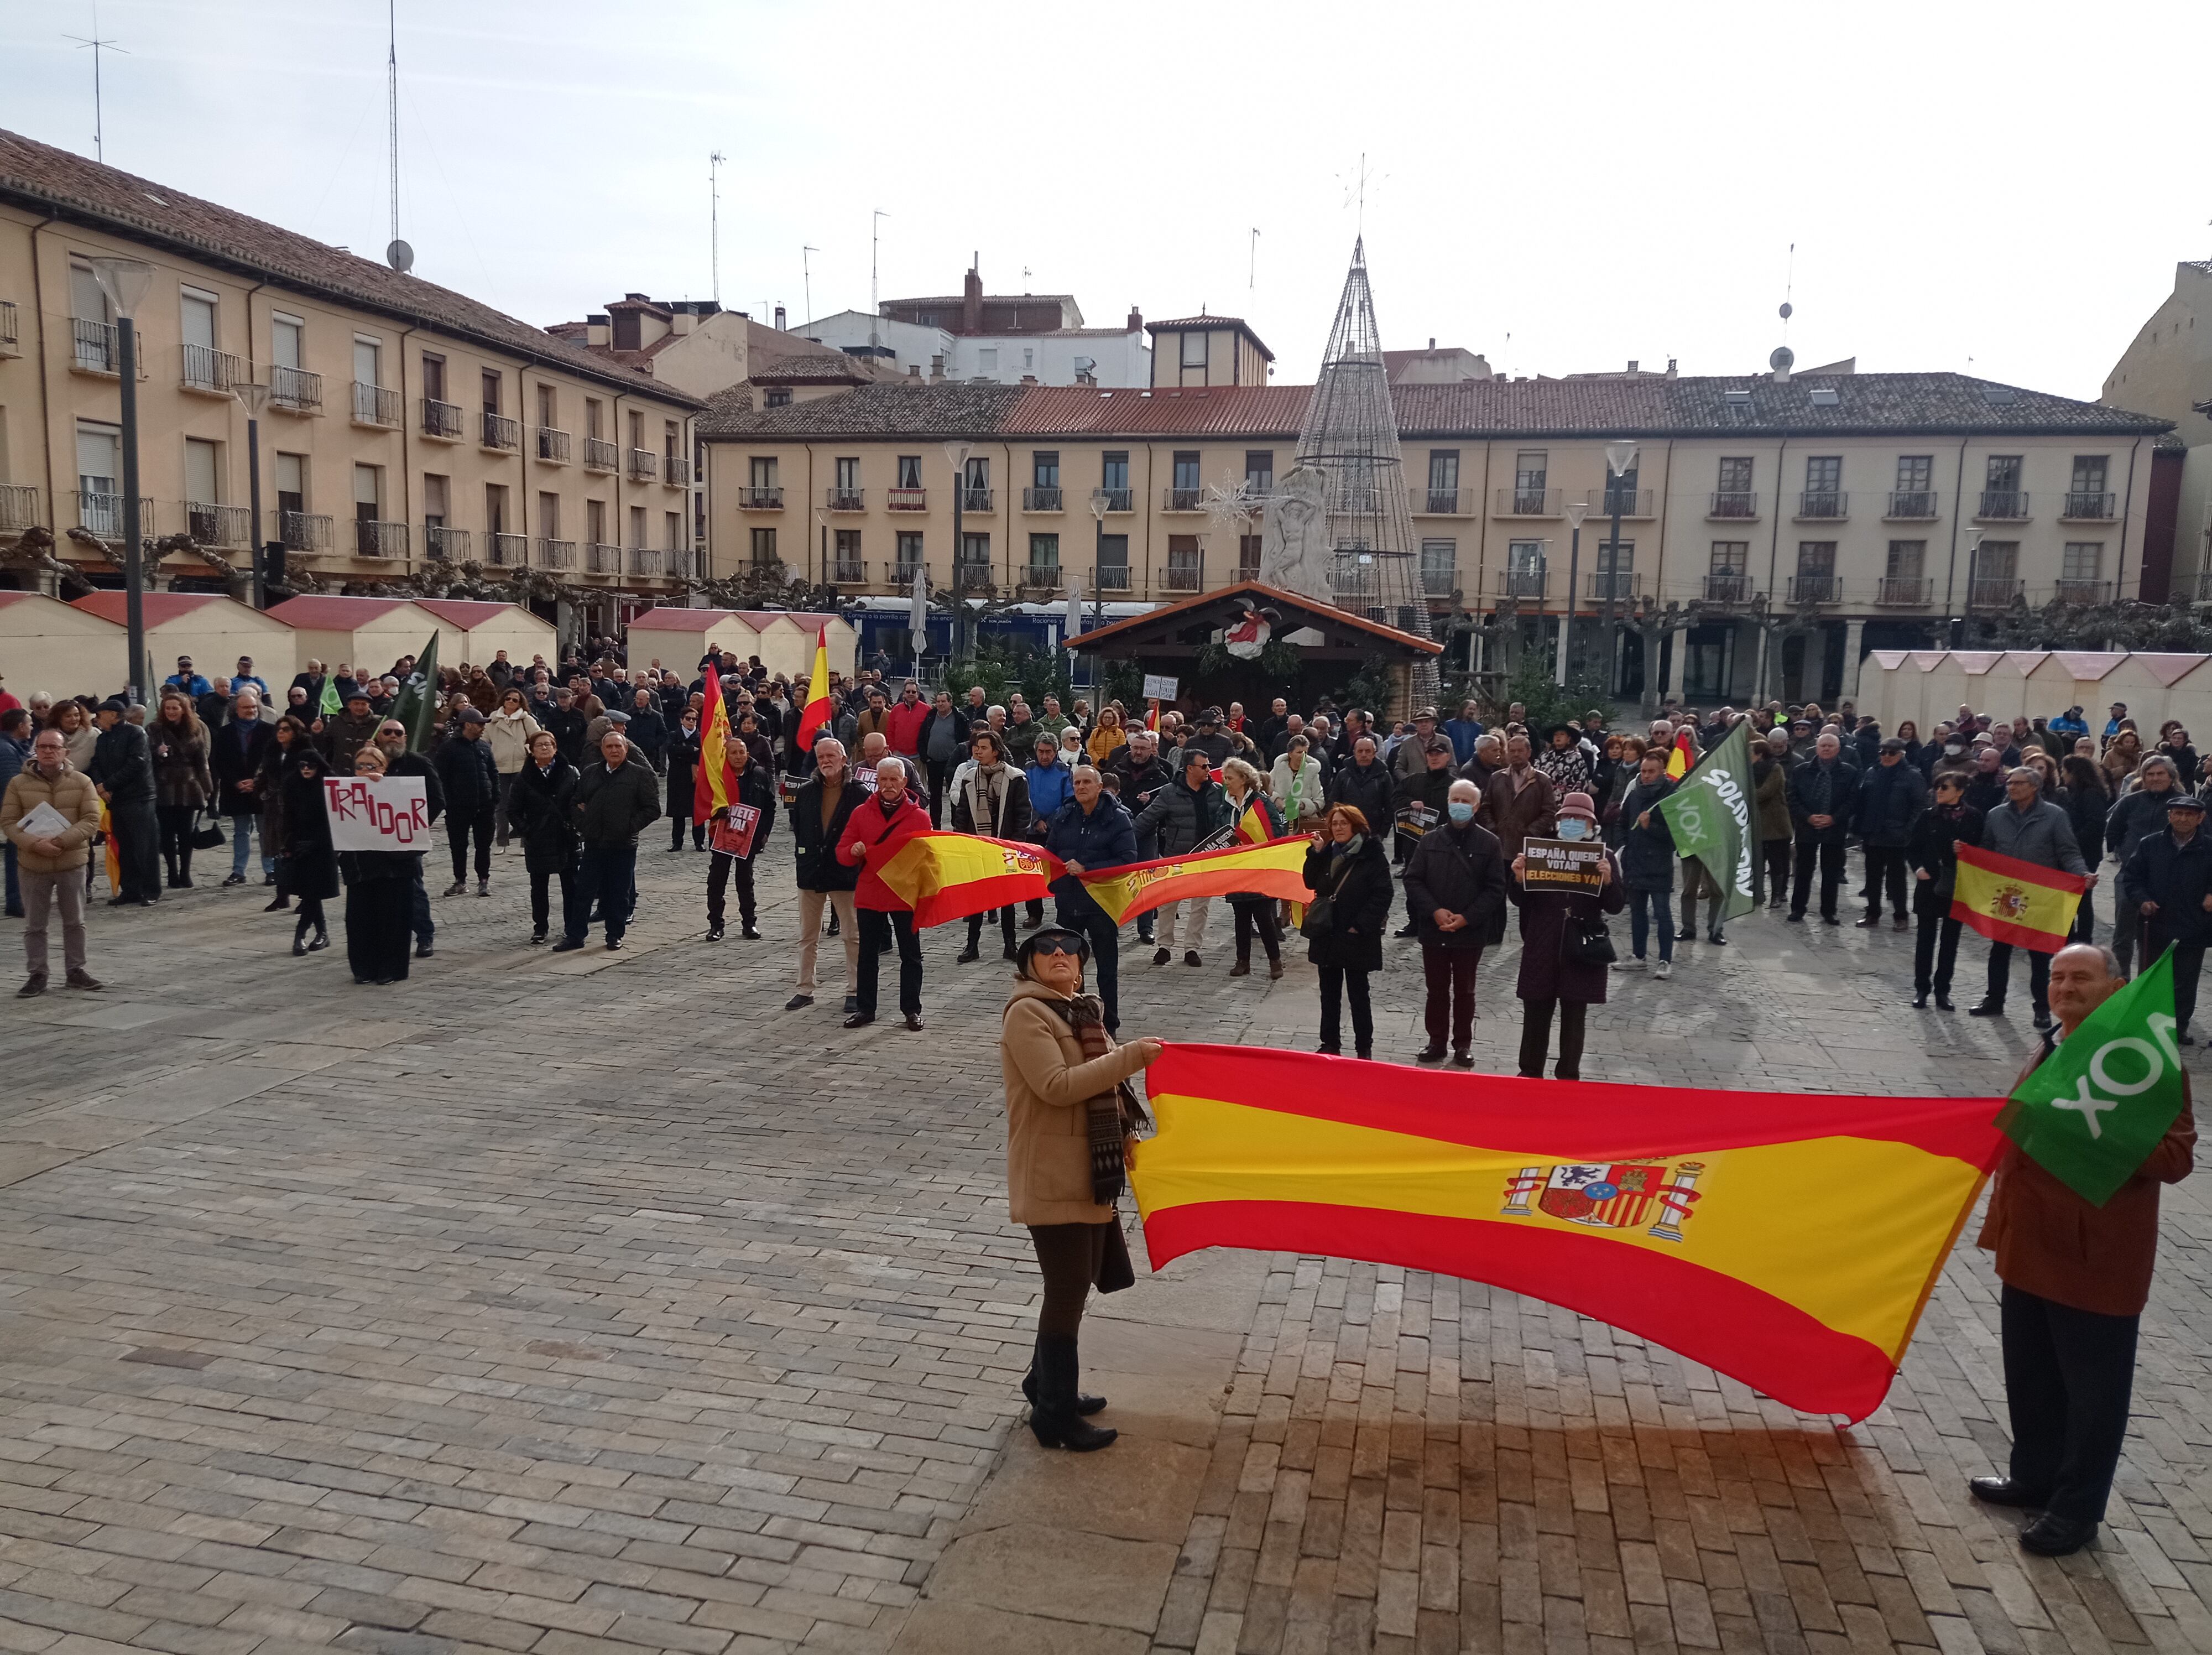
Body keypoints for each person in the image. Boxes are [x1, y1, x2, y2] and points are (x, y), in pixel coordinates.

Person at [1969, 942, 2194, 1557]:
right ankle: (2033, 1476)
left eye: (2081, 978)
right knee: (2032, 1374)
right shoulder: (2053, 1042)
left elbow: (2176, 1158)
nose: (2065, 988)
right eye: (2056, 977)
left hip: (2093, 1257)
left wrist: (2094, 1125)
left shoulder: (2142, 1060)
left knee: (2092, 1393)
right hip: (2028, 1242)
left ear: (2115, 987)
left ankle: (2076, 1510)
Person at [998, 925, 1161, 1451]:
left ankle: (1043, 1383)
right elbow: (1057, 1086)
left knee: (1082, 1277)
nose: (1060, 954)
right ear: (1029, 964)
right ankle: (1054, 1416)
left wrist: (1127, 1131)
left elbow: (1107, 1086)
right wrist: (1132, 1054)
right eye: (1045, 949)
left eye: (1070, 948)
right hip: (1052, 1171)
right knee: (1066, 1289)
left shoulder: (1083, 1011)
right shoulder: (1028, 1014)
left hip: (1091, 1168)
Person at [1508, 792, 1625, 1081]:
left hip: (1582, 946)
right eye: (1567, 817)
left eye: (1579, 818)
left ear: (1591, 824)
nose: (1572, 822)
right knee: (1536, 1011)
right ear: (1559, 821)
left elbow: (1616, 906)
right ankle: (1530, 1070)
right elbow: (1519, 900)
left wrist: (1608, 881)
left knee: (1575, 1016)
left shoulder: (1605, 857)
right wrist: (1519, 878)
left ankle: (1569, 1074)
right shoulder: (1541, 852)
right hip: (1542, 943)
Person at [1971, 767, 2093, 1029]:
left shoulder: (2055, 815)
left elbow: (2068, 851)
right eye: (2009, 783)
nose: (2011, 787)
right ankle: (1994, 1000)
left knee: (2040, 955)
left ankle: (2042, 1007)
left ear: (2034, 787)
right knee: (2000, 950)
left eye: (2018, 783)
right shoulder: (1996, 815)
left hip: (2040, 896)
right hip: (2007, 895)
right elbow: (1986, 851)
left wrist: (2082, 873)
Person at [1402, 778, 1507, 1065]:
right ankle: (1436, 1041)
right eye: (1455, 800)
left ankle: (1463, 1044)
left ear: (1476, 806)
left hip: (1469, 932)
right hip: (1434, 928)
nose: (1459, 805)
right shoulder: (1430, 840)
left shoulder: (1490, 842)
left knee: (1465, 991)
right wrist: (1434, 911)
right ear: (1448, 803)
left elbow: (1496, 888)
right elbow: (1413, 879)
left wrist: (1468, 918)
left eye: (1465, 801)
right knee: (1436, 990)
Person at [2, 725, 104, 995]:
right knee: (35, 924)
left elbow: (92, 820)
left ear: (65, 752)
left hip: (71, 860)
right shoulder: (18, 784)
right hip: (33, 864)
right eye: (43, 747)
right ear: (35, 751)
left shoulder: (82, 782)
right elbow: (9, 823)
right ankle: (38, 974)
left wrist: (60, 842)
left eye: (54, 747)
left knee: (75, 921)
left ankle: (76, 970)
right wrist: (35, 844)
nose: (48, 752)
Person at [838, 753, 931, 1028]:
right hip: (871, 892)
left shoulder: (919, 818)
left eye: (893, 780)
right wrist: (852, 852)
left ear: (904, 781)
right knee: (867, 954)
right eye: (883, 780)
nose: (888, 785)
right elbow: (842, 852)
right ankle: (866, 1008)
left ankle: (912, 1010)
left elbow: (927, 859)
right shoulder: (861, 813)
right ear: (876, 781)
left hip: (904, 894)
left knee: (911, 954)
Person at [1042, 764, 1139, 1031]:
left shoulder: (1117, 818)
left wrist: (1088, 870)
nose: (1081, 787)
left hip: (1101, 904)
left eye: (1087, 782)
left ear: (1099, 787)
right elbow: (1050, 852)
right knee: (1071, 970)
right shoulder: (1064, 815)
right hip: (1068, 903)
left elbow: (1127, 859)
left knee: (1106, 970)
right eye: (1077, 783)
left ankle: (1110, 1023)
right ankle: (1080, 1020)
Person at [1301, 803, 1393, 1059]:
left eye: (1343, 823)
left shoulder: (1372, 853)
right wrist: (1316, 854)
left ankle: (1364, 1047)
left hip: (1356, 936)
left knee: (1358, 994)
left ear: (1355, 825)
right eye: (1334, 824)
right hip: (1327, 932)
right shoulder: (1327, 851)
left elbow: (1383, 893)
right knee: (1329, 993)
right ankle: (1330, 1043)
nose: (1338, 828)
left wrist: (1361, 925)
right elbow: (1310, 882)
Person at [556, 730, 661, 953]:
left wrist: (629, 826)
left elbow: (652, 809)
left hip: (623, 845)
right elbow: (576, 802)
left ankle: (615, 935)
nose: (614, 750)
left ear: (626, 749)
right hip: (594, 843)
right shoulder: (590, 772)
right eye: (609, 747)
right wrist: (585, 824)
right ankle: (576, 936)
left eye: (618, 746)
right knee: (583, 892)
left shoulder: (639, 774)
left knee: (619, 893)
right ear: (602, 750)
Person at [2124, 794, 2212, 1042]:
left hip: (2194, 927)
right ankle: (2143, 1024)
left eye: (2189, 815)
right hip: (2156, 924)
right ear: (2170, 816)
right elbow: (2132, 879)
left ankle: (2177, 1028)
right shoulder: (2149, 844)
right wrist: (2142, 901)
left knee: (2184, 983)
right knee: (2150, 979)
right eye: (2178, 814)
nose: (2183, 819)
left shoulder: (2209, 848)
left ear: (2200, 818)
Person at [788, 738, 864, 1012]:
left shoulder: (859, 793)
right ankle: (805, 989)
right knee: (808, 935)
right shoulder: (806, 791)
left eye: (831, 755)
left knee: (852, 935)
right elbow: (799, 827)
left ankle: (855, 990)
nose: (826, 761)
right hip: (810, 872)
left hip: (845, 872)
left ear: (844, 759)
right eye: (821, 757)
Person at [1137, 747, 1230, 967]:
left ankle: (1192, 948)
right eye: (1204, 766)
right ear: (1190, 768)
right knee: (1168, 904)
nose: (1209, 770)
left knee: (1201, 906)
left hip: (1207, 858)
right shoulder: (1170, 792)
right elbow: (1147, 818)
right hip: (1176, 857)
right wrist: (1125, 839)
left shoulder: (1217, 791)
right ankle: (1164, 946)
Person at [337, 745, 416, 985]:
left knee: (392, 919)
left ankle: (390, 967)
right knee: (360, 919)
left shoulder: (397, 787)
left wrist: (382, 787)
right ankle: (363, 967)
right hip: (360, 866)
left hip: (393, 867)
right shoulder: (346, 791)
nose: (364, 771)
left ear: (383, 767)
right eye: (359, 766)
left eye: (370, 766)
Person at [953, 729, 1032, 964]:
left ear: (996, 751)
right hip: (977, 847)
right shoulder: (969, 777)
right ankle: (972, 946)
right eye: (976, 746)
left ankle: (1010, 946)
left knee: (1007, 900)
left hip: (1005, 848)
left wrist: (1016, 844)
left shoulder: (1016, 778)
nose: (978, 750)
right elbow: (962, 815)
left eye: (983, 747)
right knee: (976, 898)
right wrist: (962, 841)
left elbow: (1023, 814)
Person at [1907, 772, 1983, 1009]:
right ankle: (1922, 988)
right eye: (1937, 786)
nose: (1939, 791)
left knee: (1950, 940)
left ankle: (1943, 990)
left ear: (1960, 791)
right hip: (1930, 883)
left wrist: (1967, 850)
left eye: (1945, 787)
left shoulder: (1973, 817)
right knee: (1925, 938)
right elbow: (1913, 848)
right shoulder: (1929, 816)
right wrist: (1918, 868)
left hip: (1958, 885)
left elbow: (1984, 848)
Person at [372, 720, 445, 960]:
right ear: (379, 736)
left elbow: (436, 799)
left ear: (405, 737)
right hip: (373, 839)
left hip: (406, 840)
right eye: (388, 732)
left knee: (413, 889)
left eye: (399, 733)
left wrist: (417, 826)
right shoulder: (368, 762)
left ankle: (424, 936)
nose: (393, 736)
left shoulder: (419, 763)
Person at [508, 729, 579, 945]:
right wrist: (526, 830)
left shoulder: (571, 773)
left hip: (565, 836)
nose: (545, 748)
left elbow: (581, 801)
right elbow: (513, 811)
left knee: (571, 885)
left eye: (549, 744)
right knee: (539, 887)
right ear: (532, 750)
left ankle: (572, 926)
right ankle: (541, 927)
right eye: (540, 745)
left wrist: (577, 825)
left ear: (556, 748)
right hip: (538, 838)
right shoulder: (524, 778)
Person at [705, 727, 775, 942]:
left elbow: (770, 806)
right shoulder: (718, 775)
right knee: (717, 880)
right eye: (733, 752)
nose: (738, 757)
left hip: (749, 838)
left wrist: (763, 835)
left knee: (745, 880)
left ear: (748, 754)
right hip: (722, 837)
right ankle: (716, 924)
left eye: (742, 752)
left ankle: (749, 923)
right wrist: (718, 813)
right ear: (726, 754)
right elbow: (704, 802)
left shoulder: (759, 774)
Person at [1218, 759, 1286, 981]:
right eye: (1225, 778)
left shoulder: (1261, 803)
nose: (1226, 782)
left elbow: (1275, 830)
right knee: (1241, 915)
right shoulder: (1225, 805)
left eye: (1230, 778)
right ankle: (1243, 961)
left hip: (1259, 866)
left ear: (1244, 779)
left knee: (1264, 916)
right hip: (1236, 867)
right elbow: (1219, 831)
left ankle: (1275, 961)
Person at [1853, 736, 1927, 932]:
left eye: (1891, 753)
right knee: (1872, 878)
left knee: (1897, 880)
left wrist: (1908, 830)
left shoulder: (1912, 776)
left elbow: (1919, 806)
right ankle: (1872, 913)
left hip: (1897, 835)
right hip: (1873, 833)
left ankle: (1901, 916)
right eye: (1883, 752)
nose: (1886, 756)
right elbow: (1863, 801)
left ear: (1901, 755)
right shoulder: (1872, 772)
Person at [1786, 731, 1859, 925]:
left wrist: (1834, 818)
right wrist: (1808, 817)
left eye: (1830, 746)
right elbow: (1792, 798)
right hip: (1807, 827)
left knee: (1831, 872)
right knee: (1803, 871)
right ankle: (1798, 909)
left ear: (1838, 749)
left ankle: (1829, 911)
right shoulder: (1801, 771)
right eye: (1822, 746)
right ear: (1817, 748)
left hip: (1834, 828)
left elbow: (1853, 801)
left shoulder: (1849, 772)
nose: (1826, 749)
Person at [1617, 748, 1677, 979]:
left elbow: (1673, 835)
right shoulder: (1635, 793)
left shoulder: (1670, 794)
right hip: (1635, 861)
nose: (1646, 776)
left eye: (1651, 772)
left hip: (1659, 864)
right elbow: (1622, 823)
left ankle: (1665, 960)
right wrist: (1624, 848)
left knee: (1663, 913)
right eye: (1643, 771)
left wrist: (1649, 826)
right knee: (1638, 912)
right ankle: (1638, 956)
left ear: (1662, 772)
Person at [147, 690, 213, 890]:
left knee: (187, 833)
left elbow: (202, 762)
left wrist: (208, 788)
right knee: (167, 834)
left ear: (184, 710)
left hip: (188, 786)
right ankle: (172, 874)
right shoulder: (154, 729)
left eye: (175, 708)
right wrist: (157, 753)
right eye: (168, 708)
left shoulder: (195, 730)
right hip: (164, 786)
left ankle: (185, 872)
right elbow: (145, 758)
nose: (171, 712)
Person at [208, 689, 275, 888]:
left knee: (266, 831)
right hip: (235, 789)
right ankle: (239, 871)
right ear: (236, 710)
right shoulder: (225, 733)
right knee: (241, 831)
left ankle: (271, 870)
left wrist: (257, 781)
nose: (251, 710)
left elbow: (273, 761)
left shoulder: (269, 731)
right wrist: (237, 781)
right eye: (246, 707)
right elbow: (219, 761)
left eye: (254, 707)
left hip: (263, 788)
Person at [434, 705, 499, 897]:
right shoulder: (448, 748)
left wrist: (495, 796)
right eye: (480, 724)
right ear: (468, 725)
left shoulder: (484, 747)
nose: (483, 727)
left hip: (485, 806)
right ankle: (460, 881)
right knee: (459, 846)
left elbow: (493, 773)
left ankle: (483, 880)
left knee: (484, 845)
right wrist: (449, 801)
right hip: (458, 807)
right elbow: (440, 777)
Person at [280, 746, 337, 956]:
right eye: (302, 765)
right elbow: (288, 817)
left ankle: (300, 934)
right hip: (300, 842)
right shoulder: (292, 784)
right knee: (309, 892)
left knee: (313, 892)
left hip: (324, 844)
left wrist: (322, 841)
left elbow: (334, 818)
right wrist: (288, 844)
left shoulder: (328, 784)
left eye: (311, 766)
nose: (306, 769)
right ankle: (322, 934)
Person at [1475, 733, 1557, 863]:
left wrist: (1531, 831)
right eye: (1512, 751)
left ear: (1529, 753)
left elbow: (1550, 812)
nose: (1516, 754)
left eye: (1520, 751)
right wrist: (1493, 828)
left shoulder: (1542, 780)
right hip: (1499, 845)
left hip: (1527, 849)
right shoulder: (1496, 778)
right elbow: (1486, 807)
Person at [484, 687, 541, 847]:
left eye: (515, 700)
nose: (510, 702)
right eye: (508, 698)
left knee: (524, 805)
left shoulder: (526, 720)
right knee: (501, 806)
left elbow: (538, 738)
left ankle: (525, 841)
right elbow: (484, 740)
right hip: (499, 767)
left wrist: (528, 751)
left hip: (521, 766)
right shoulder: (494, 719)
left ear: (520, 703)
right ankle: (502, 842)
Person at [1325, 735, 1396, 843]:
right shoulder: (1343, 775)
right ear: (1354, 753)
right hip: (1347, 829)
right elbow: (1334, 802)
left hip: (1373, 831)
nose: (1364, 755)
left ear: (1374, 753)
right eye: (1360, 751)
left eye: (1368, 751)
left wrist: (1383, 833)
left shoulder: (1384, 776)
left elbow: (1390, 806)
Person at [1752, 731, 1793, 907]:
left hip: (1776, 824)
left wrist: (1743, 794)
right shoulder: (1750, 770)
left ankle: (1778, 894)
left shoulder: (1775, 768)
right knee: (1758, 862)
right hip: (1757, 822)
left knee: (1778, 862)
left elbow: (1766, 791)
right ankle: (1757, 893)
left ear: (1760, 754)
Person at [918, 690, 969, 826]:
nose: (940, 704)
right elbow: (922, 737)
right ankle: (936, 826)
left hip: (951, 763)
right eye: (938, 702)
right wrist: (925, 757)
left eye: (943, 702)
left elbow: (965, 740)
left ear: (950, 703)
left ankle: (955, 825)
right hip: (933, 761)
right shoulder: (931, 716)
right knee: (935, 797)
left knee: (954, 795)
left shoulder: (960, 718)